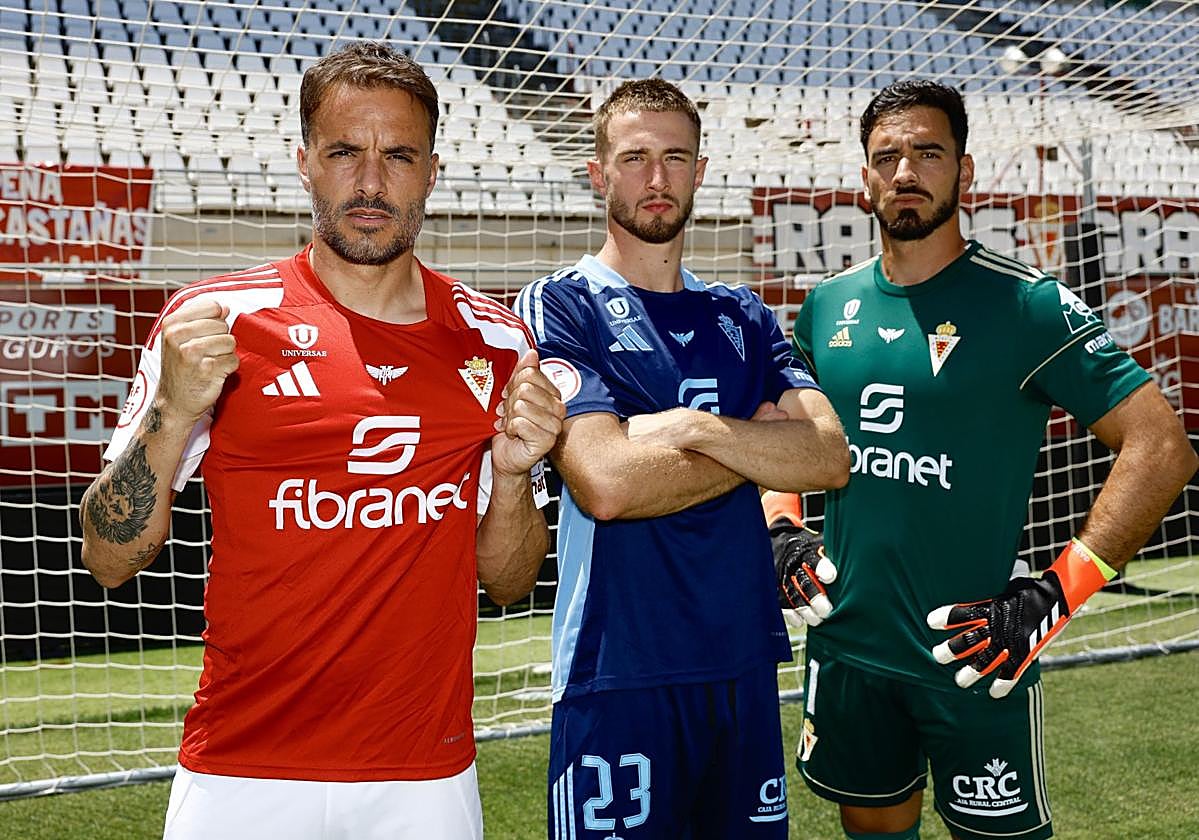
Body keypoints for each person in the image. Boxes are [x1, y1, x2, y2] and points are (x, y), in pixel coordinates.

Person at [79, 42, 564, 840]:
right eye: (345, 152)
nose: (371, 183)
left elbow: (509, 584)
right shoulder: (213, 322)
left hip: (424, 775)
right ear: (304, 162)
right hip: (241, 768)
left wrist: (511, 478)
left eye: (398, 155)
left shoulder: (497, 343)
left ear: (433, 171)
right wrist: (170, 413)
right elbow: (107, 559)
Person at [769, 79, 1197, 840]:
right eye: (886, 157)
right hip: (845, 649)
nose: (905, 172)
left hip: (976, 654)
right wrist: (779, 528)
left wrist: (1053, 598)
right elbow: (784, 435)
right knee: (870, 825)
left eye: (927, 153)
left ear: (963, 173)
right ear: (864, 177)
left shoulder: (1028, 306)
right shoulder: (826, 306)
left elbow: (1160, 448)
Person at [514, 79, 850, 839]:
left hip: (740, 663)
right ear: (598, 174)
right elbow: (605, 483)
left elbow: (828, 456)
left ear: (700, 172)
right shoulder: (560, 304)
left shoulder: (742, 314)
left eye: (674, 158)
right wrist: (760, 448)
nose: (656, 178)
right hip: (617, 668)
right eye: (634, 158)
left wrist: (691, 428)